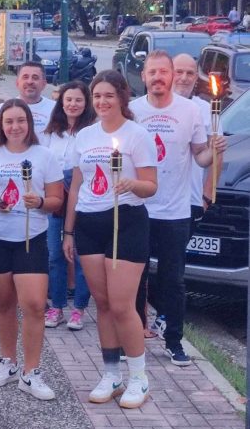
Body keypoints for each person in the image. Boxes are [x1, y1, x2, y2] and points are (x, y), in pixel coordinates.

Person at [63, 70, 158, 409]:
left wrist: (132, 184)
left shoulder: (137, 135)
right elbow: (77, 186)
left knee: (121, 305)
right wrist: (69, 231)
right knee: (102, 304)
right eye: (97, 96)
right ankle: (111, 373)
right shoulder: (85, 136)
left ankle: (139, 377)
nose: (102, 102)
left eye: (108, 96)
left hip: (126, 221)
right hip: (89, 222)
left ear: (121, 98)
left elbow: (151, 186)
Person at [0, 98, 64, 400]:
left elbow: (57, 201)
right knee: (3, 303)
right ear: (0, 125)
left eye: (21, 120)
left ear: (29, 124)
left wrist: (41, 202)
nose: (15, 126)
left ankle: (31, 372)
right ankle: (8, 361)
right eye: (9, 121)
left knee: (34, 304)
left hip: (31, 238)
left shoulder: (45, 156)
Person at [130, 51, 224, 367]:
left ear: (171, 75)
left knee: (174, 280)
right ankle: (133, 337)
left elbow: (200, 156)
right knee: (135, 277)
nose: (158, 77)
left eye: (163, 72)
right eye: (152, 72)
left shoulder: (190, 111)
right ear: (144, 76)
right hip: (139, 209)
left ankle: (174, 341)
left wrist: (213, 151)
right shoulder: (133, 110)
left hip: (175, 211)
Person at [41, 80, 95, 331]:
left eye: (78, 100)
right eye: (69, 99)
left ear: (86, 103)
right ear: (61, 103)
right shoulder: (51, 132)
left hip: (83, 194)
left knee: (81, 254)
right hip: (55, 194)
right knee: (54, 253)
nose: (73, 104)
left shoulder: (92, 131)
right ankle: (57, 306)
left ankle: (79, 308)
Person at [172, 53, 214, 235]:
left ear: (196, 77)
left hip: (190, 200)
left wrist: (207, 195)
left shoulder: (205, 110)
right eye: (179, 72)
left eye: (190, 73)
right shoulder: (154, 107)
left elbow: (217, 155)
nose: (184, 78)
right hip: (154, 201)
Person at [0, 61, 55, 149]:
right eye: (25, 77)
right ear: (17, 83)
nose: (30, 81)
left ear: (44, 84)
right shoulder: (1, 110)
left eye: (35, 78)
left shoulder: (55, 109)